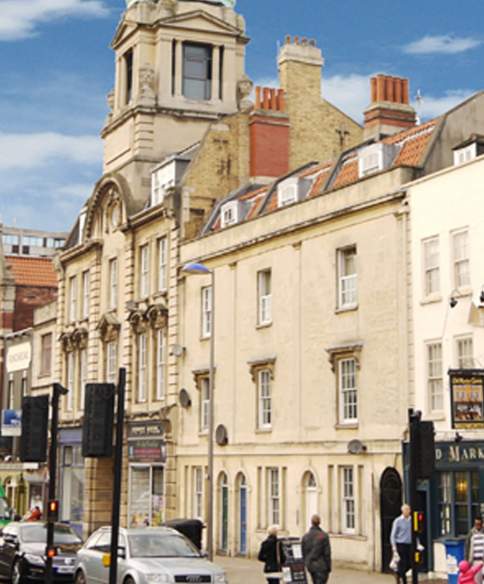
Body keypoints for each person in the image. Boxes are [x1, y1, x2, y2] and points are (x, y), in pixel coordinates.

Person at [302, 514, 332, 584]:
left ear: (311, 522)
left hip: (311, 565)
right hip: (321, 566)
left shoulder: (305, 536)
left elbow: (303, 552)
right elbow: (327, 553)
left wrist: (306, 562)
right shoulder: (324, 536)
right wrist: (329, 567)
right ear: (319, 522)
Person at [390, 504, 412, 584]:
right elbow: (393, 535)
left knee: (410, 563)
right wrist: (394, 547)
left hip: (409, 544)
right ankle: (403, 580)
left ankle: (398, 573)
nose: (407, 511)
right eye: (406, 510)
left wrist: (418, 543)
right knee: (402, 563)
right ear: (402, 511)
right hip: (400, 544)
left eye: (408, 510)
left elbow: (415, 533)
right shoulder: (398, 521)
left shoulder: (412, 520)